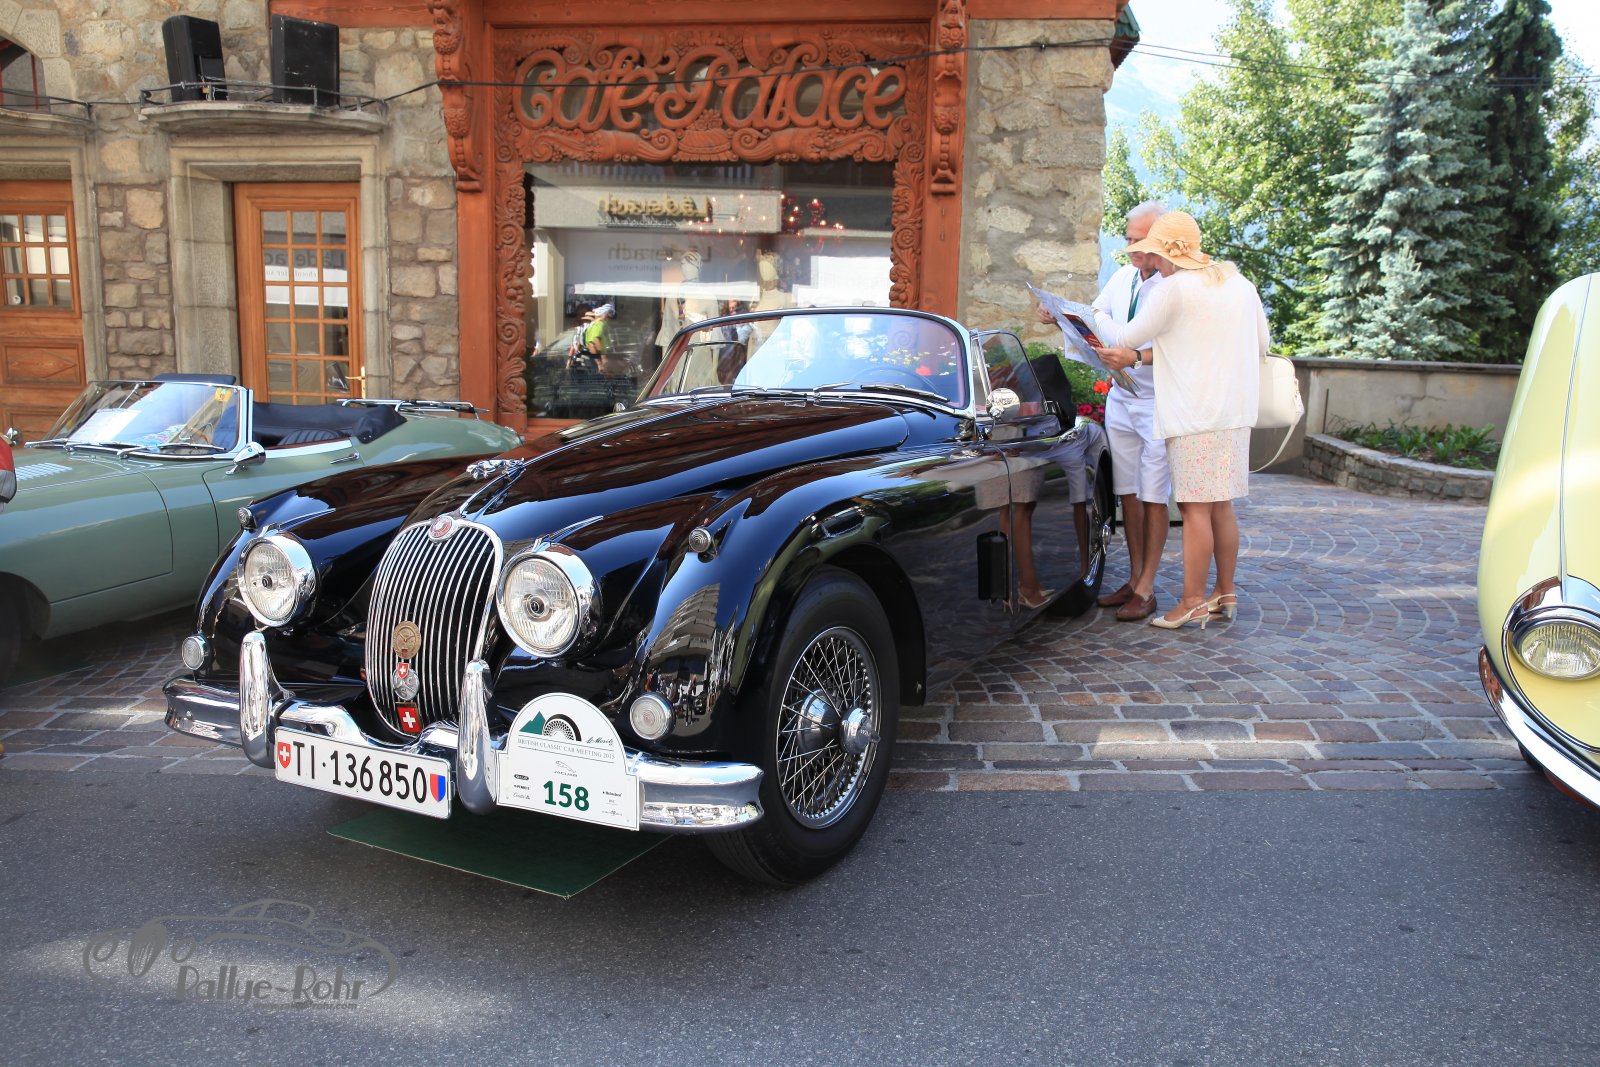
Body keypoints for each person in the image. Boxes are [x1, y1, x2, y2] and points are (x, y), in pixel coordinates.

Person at [1088, 210, 1267, 630]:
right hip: (1236, 412)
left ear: (1167, 253)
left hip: (1193, 412)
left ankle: (1191, 602)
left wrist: (1101, 321)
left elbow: (1125, 339)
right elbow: (1261, 342)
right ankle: (1225, 592)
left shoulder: (1174, 289)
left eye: (1154, 252)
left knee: (1194, 509)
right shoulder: (1239, 284)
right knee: (1221, 505)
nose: (1153, 261)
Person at [1040, 200, 1171, 621]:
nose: (1131, 247)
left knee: (1153, 495)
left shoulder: (1173, 285)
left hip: (1159, 400)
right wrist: (1059, 318)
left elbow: (1183, 347)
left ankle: (1147, 587)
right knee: (1127, 491)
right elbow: (1094, 321)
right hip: (1122, 398)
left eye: (1139, 240)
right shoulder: (1123, 277)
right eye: (1129, 238)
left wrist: (1135, 356)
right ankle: (1134, 579)